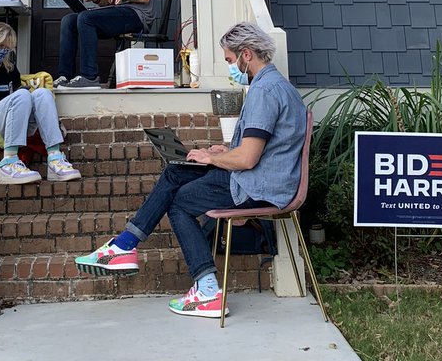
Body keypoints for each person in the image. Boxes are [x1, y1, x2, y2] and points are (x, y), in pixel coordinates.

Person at [73, 21, 306, 318]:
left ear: (246, 54)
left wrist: (213, 159)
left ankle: (206, 289)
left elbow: (248, 159)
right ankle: (125, 246)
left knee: (180, 203)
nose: (231, 68)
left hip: (258, 186)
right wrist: (221, 152)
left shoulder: (264, 92)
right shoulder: (276, 86)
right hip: (264, 177)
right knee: (176, 172)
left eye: (231, 61)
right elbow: (261, 149)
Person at [0, 22, 81, 185]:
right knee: (22, 95)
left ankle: (54, 159)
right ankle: (9, 163)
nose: (4, 51)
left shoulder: (9, 70)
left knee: (42, 93)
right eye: (1, 46)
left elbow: (21, 102)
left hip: (8, 129)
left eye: (8, 47)